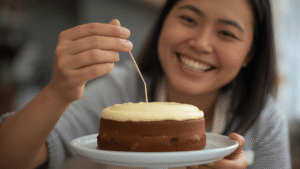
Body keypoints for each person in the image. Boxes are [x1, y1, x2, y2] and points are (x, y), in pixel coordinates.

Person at [0, 0, 291, 168]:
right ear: (163, 22)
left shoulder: (263, 121)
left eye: (227, 33)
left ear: (250, 54)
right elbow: (10, 159)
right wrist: (58, 91)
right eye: (189, 18)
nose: (200, 43)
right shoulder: (120, 92)